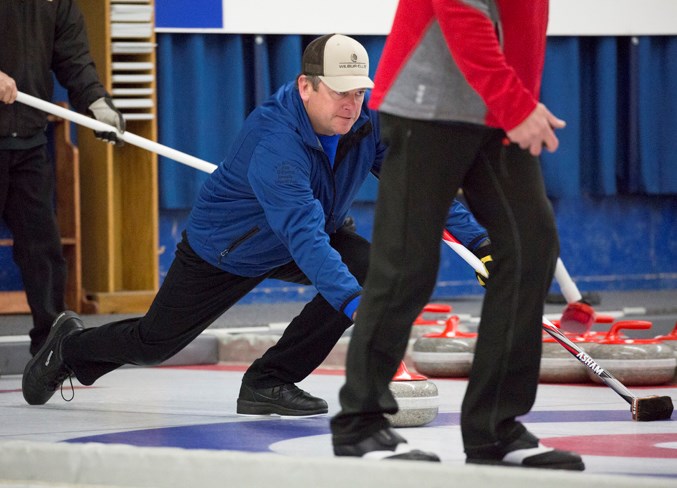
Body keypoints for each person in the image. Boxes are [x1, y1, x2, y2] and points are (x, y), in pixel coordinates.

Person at [21, 34, 490, 414]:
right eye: (339, 92)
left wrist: (481, 244)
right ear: (306, 86)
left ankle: (270, 380)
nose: (351, 104)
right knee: (154, 344)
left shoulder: (365, 124)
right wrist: (354, 306)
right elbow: (302, 236)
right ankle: (70, 348)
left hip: (309, 231)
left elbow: (420, 188)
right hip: (227, 250)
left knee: (368, 269)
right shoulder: (276, 142)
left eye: (359, 92)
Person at [330, 0, 586, 470]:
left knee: (532, 246)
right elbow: (460, 11)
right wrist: (516, 102)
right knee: (407, 264)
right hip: (429, 104)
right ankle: (359, 423)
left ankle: (495, 428)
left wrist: (518, 98)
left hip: (497, 108)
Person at [0, 0, 126, 356]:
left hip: (28, 140)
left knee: (44, 251)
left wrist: (97, 103)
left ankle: (50, 353)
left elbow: (74, 59)